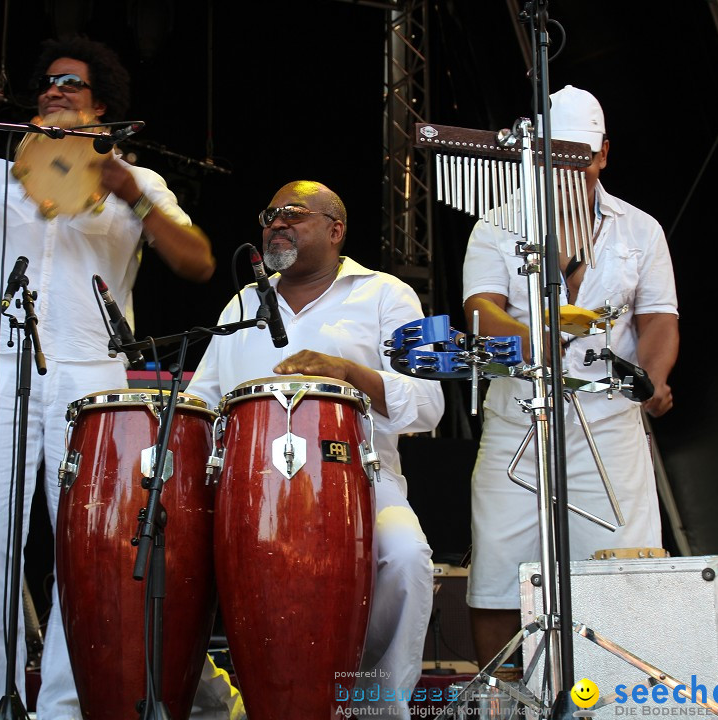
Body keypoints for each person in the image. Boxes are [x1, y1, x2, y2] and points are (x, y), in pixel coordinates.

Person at [0, 36, 215, 720]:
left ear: (104, 106)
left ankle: (64, 704)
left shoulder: (137, 182)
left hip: (95, 379)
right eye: (49, 83)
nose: (56, 90)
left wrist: (127, 191)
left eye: (73, 84)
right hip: (3, 366)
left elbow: (199, 262)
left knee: (84, 548)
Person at [185, 180, 446, 718]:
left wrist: (350, 372)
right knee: (160, 560)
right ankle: (220, 706)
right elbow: (201, 402)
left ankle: (374, 709)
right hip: (249, 496)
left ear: (335, 229)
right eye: (269, 213)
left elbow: (430, 402)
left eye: (292, 214)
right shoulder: (242, 302)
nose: (275, 223)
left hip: (358, 484)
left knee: (406, 557)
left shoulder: (388, 293)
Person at [462, 85, 680, 670]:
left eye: (579, 158)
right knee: (498, 579)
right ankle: (504, 706)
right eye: (556, 158)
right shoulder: (497, 225)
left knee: (624, 578)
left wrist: (652, 378)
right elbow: (481, 310)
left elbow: (659, 319)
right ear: (536, 155)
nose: (569, 170)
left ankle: (610, 704)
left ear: (603, 153)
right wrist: (542, 327)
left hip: (609, 426)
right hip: (519, 423)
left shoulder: (641, 230)